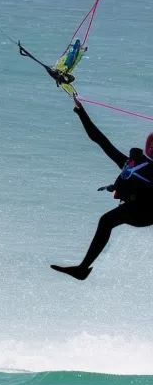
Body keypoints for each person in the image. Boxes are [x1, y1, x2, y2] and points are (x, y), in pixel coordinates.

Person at [51, 98, 153, 280]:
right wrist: (80, 111)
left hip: (146, 212)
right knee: (106, 221)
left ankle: (82, 269)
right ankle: (82, 269)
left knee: (106, 220)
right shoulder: (128, 163)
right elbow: (99, 139)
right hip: (134, 209)